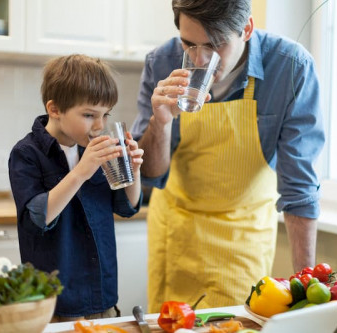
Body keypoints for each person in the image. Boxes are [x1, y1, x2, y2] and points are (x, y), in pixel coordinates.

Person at [130, 0, 325, 311]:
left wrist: (309, 293)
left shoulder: (290, 67)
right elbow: (151, 175)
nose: (200, 58)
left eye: (214, 45)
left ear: (246, 29)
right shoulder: (162, 60)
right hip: (177, 233)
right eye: (189, 44)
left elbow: (299, 190)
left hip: (242, 237)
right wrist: (161, 122)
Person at [9, 54, 144, 321]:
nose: (100, 125)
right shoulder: (27, 153)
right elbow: (37, 218)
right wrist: (81, 172)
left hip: (102, 297)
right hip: (55, 306)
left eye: (105, 114)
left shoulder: (94, 149)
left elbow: (127, 206)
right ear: (55, 109)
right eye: (88, 115)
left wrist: (134, 171)